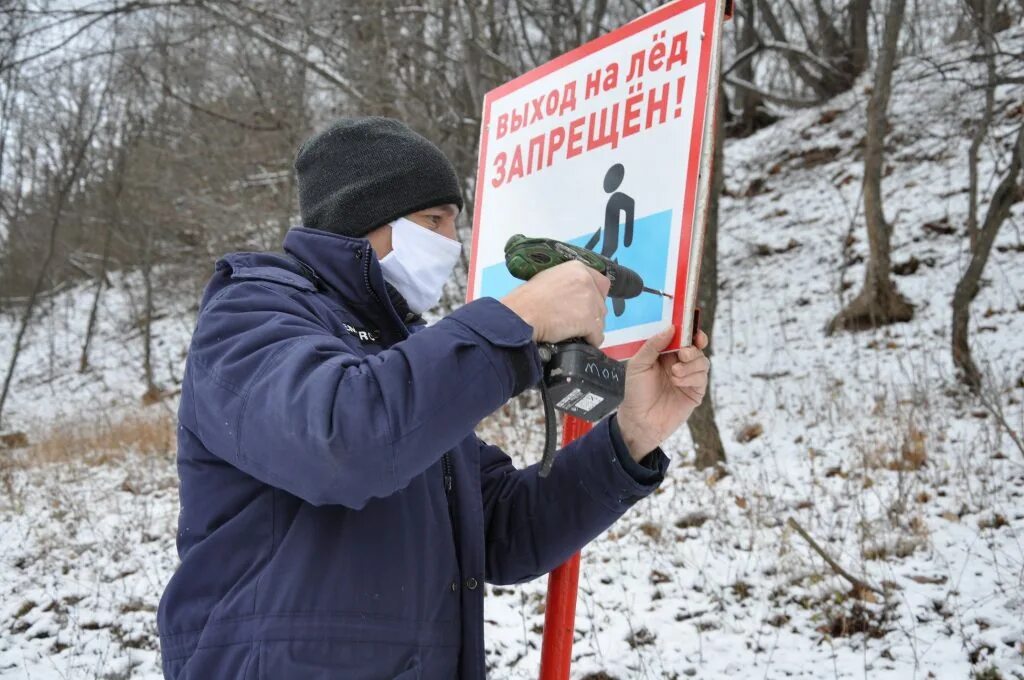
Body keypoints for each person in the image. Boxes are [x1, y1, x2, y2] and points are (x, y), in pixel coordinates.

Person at [157, 117, 710, 680]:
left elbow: (502, 527)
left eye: (455, 223)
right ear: (363, 220)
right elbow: (343, 441)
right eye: (434, 220)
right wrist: (516, 322)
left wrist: (632, 437)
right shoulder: (250, 316)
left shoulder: (409, 360)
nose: (451, 242)